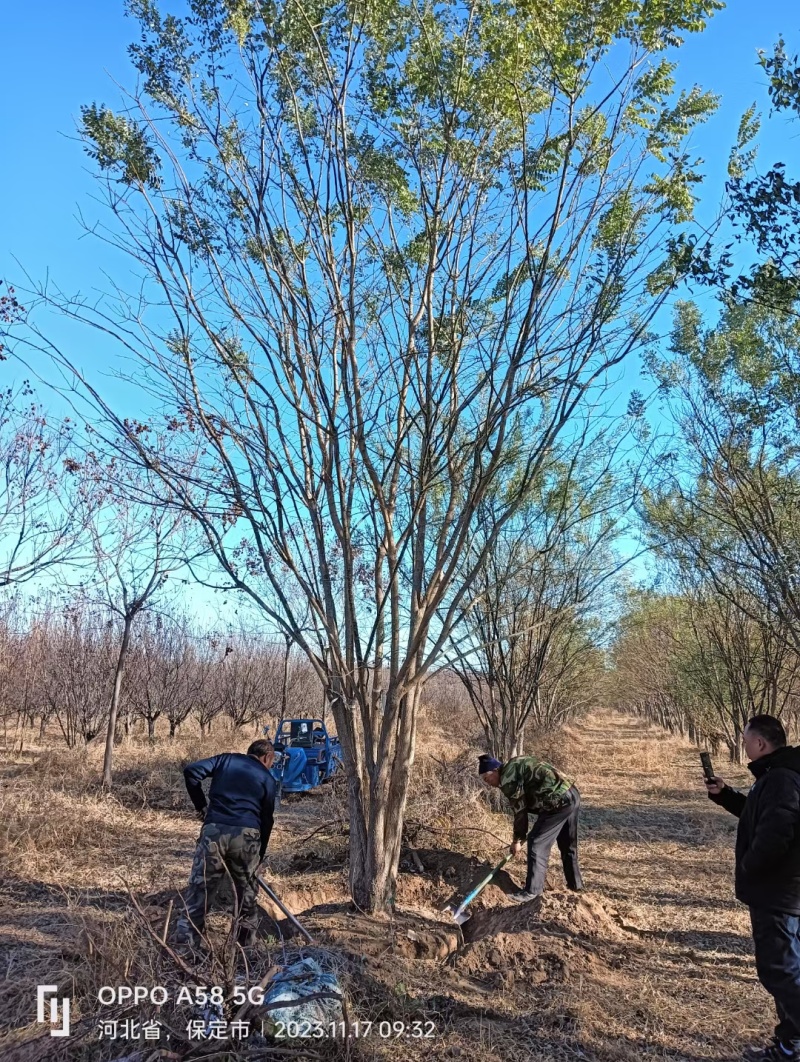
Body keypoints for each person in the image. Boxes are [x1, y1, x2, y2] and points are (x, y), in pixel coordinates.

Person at [705, 715, 800, 1062]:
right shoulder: (779, 776)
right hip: (782, 891)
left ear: (760, 744)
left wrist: (750, 867)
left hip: (778, 893)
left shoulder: (781, 780)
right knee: (788, 971)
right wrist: (727, 796)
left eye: (745, 740)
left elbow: (776, 834)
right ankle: (789, 1046)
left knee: (780, 971)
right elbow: (762, 817)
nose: (742, 745)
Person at [175, 739, 276, 948]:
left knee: (198, 893)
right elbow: (267, 819)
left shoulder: (225, 759)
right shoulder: (267, 778)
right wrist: (259, 855)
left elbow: (191, 771)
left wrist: (201, 806)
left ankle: (185, 951)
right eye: (272, 762)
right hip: (248, 836)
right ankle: (244, 951)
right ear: (267, 758)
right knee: (246, 896)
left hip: (214, 831)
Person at [478, 752, 583, 904]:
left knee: (536, 842)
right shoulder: (515, 763)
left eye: (487, 779)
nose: (488, 783)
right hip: (571, 793)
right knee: (567, 845)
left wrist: (517, 840)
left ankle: (532, 892)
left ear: (495, 771)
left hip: (557, 801)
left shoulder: (507, 778)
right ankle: (576, 887)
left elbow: (520, 812)